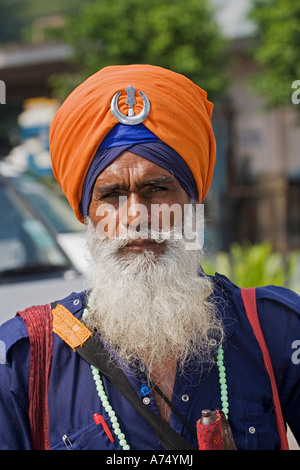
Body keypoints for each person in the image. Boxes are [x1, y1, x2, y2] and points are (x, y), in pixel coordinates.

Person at [0, 65, 299, 451]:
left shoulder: (275, 329)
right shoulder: (26, 360)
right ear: (86, 214)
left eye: (157, 188)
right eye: (111, 195)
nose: (136, 215)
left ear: (192, 202)